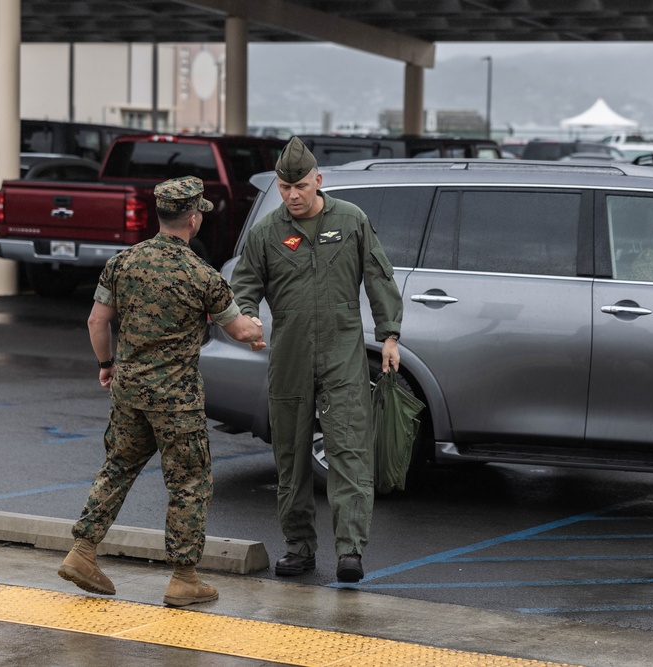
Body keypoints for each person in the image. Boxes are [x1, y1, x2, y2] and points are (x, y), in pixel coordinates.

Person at [57, 176, 266, 607]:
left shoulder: (123, 262)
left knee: (117, 468)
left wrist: (106, 364)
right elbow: (240, 328)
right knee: (189, 482)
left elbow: (97, 322)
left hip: (130, 391)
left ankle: (82, 552)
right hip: (177, 400)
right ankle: (184, 577)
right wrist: (256, 330)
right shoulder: (200, 274)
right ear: (193, 218)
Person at [230, 136, 403, 583]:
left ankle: (350, 551)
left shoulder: (351, 220)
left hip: (343, 355)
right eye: (285, 187)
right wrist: (245, 317)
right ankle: (299, 547)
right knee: (290, 456)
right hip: (288, 356)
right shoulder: (267, 232)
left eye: (301, 186)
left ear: (318, 180)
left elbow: (378, 276)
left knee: (348, 450)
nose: (293, 195)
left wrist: (389, 335)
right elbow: (244, 284)